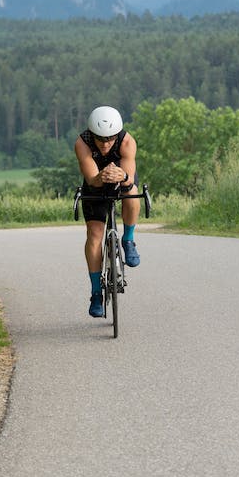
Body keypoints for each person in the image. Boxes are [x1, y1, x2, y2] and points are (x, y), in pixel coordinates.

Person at [75, 105, 140, 318]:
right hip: (95, 183)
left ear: (117, 135)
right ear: (92, 134)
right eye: (100, 139)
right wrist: (102, 176)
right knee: (94, 234)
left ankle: (128, 240)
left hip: (122, 179)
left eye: (111, 138)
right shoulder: (82, 143)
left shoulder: (127, 142)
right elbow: (91, 178)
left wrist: (121, 177)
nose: (105, 144)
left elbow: (129, 176)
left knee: (132, 191)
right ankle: (96, 293)